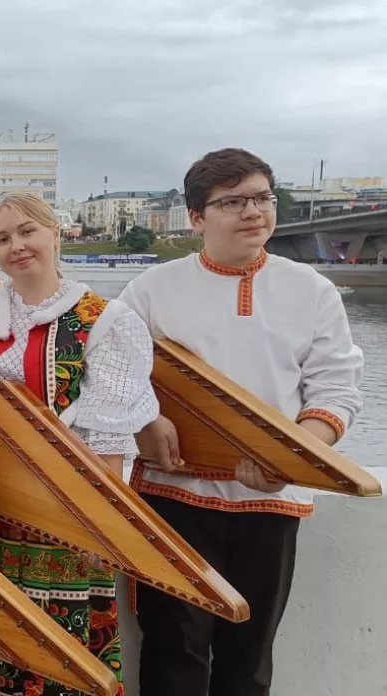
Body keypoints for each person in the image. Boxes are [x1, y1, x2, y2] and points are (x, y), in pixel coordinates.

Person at [121, 148, 364, 696]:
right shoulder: (151, 290)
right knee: (173, 651)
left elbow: (336, 386)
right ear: (197, 217)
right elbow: (116, 377)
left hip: (271, 502)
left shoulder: (313, 290)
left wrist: (294, 455)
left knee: (249, 658)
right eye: (233, 202)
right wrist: (146, 420)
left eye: (262, 198)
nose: (253, 211)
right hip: (174, 495)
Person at [0, 192, 159, 696]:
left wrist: (102, 526)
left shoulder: (104, 320)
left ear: (55, 233)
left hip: (59, 516)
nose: (16, 246)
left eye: (26, 232)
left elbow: (107, 435)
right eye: (1, 239)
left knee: (56, 655)